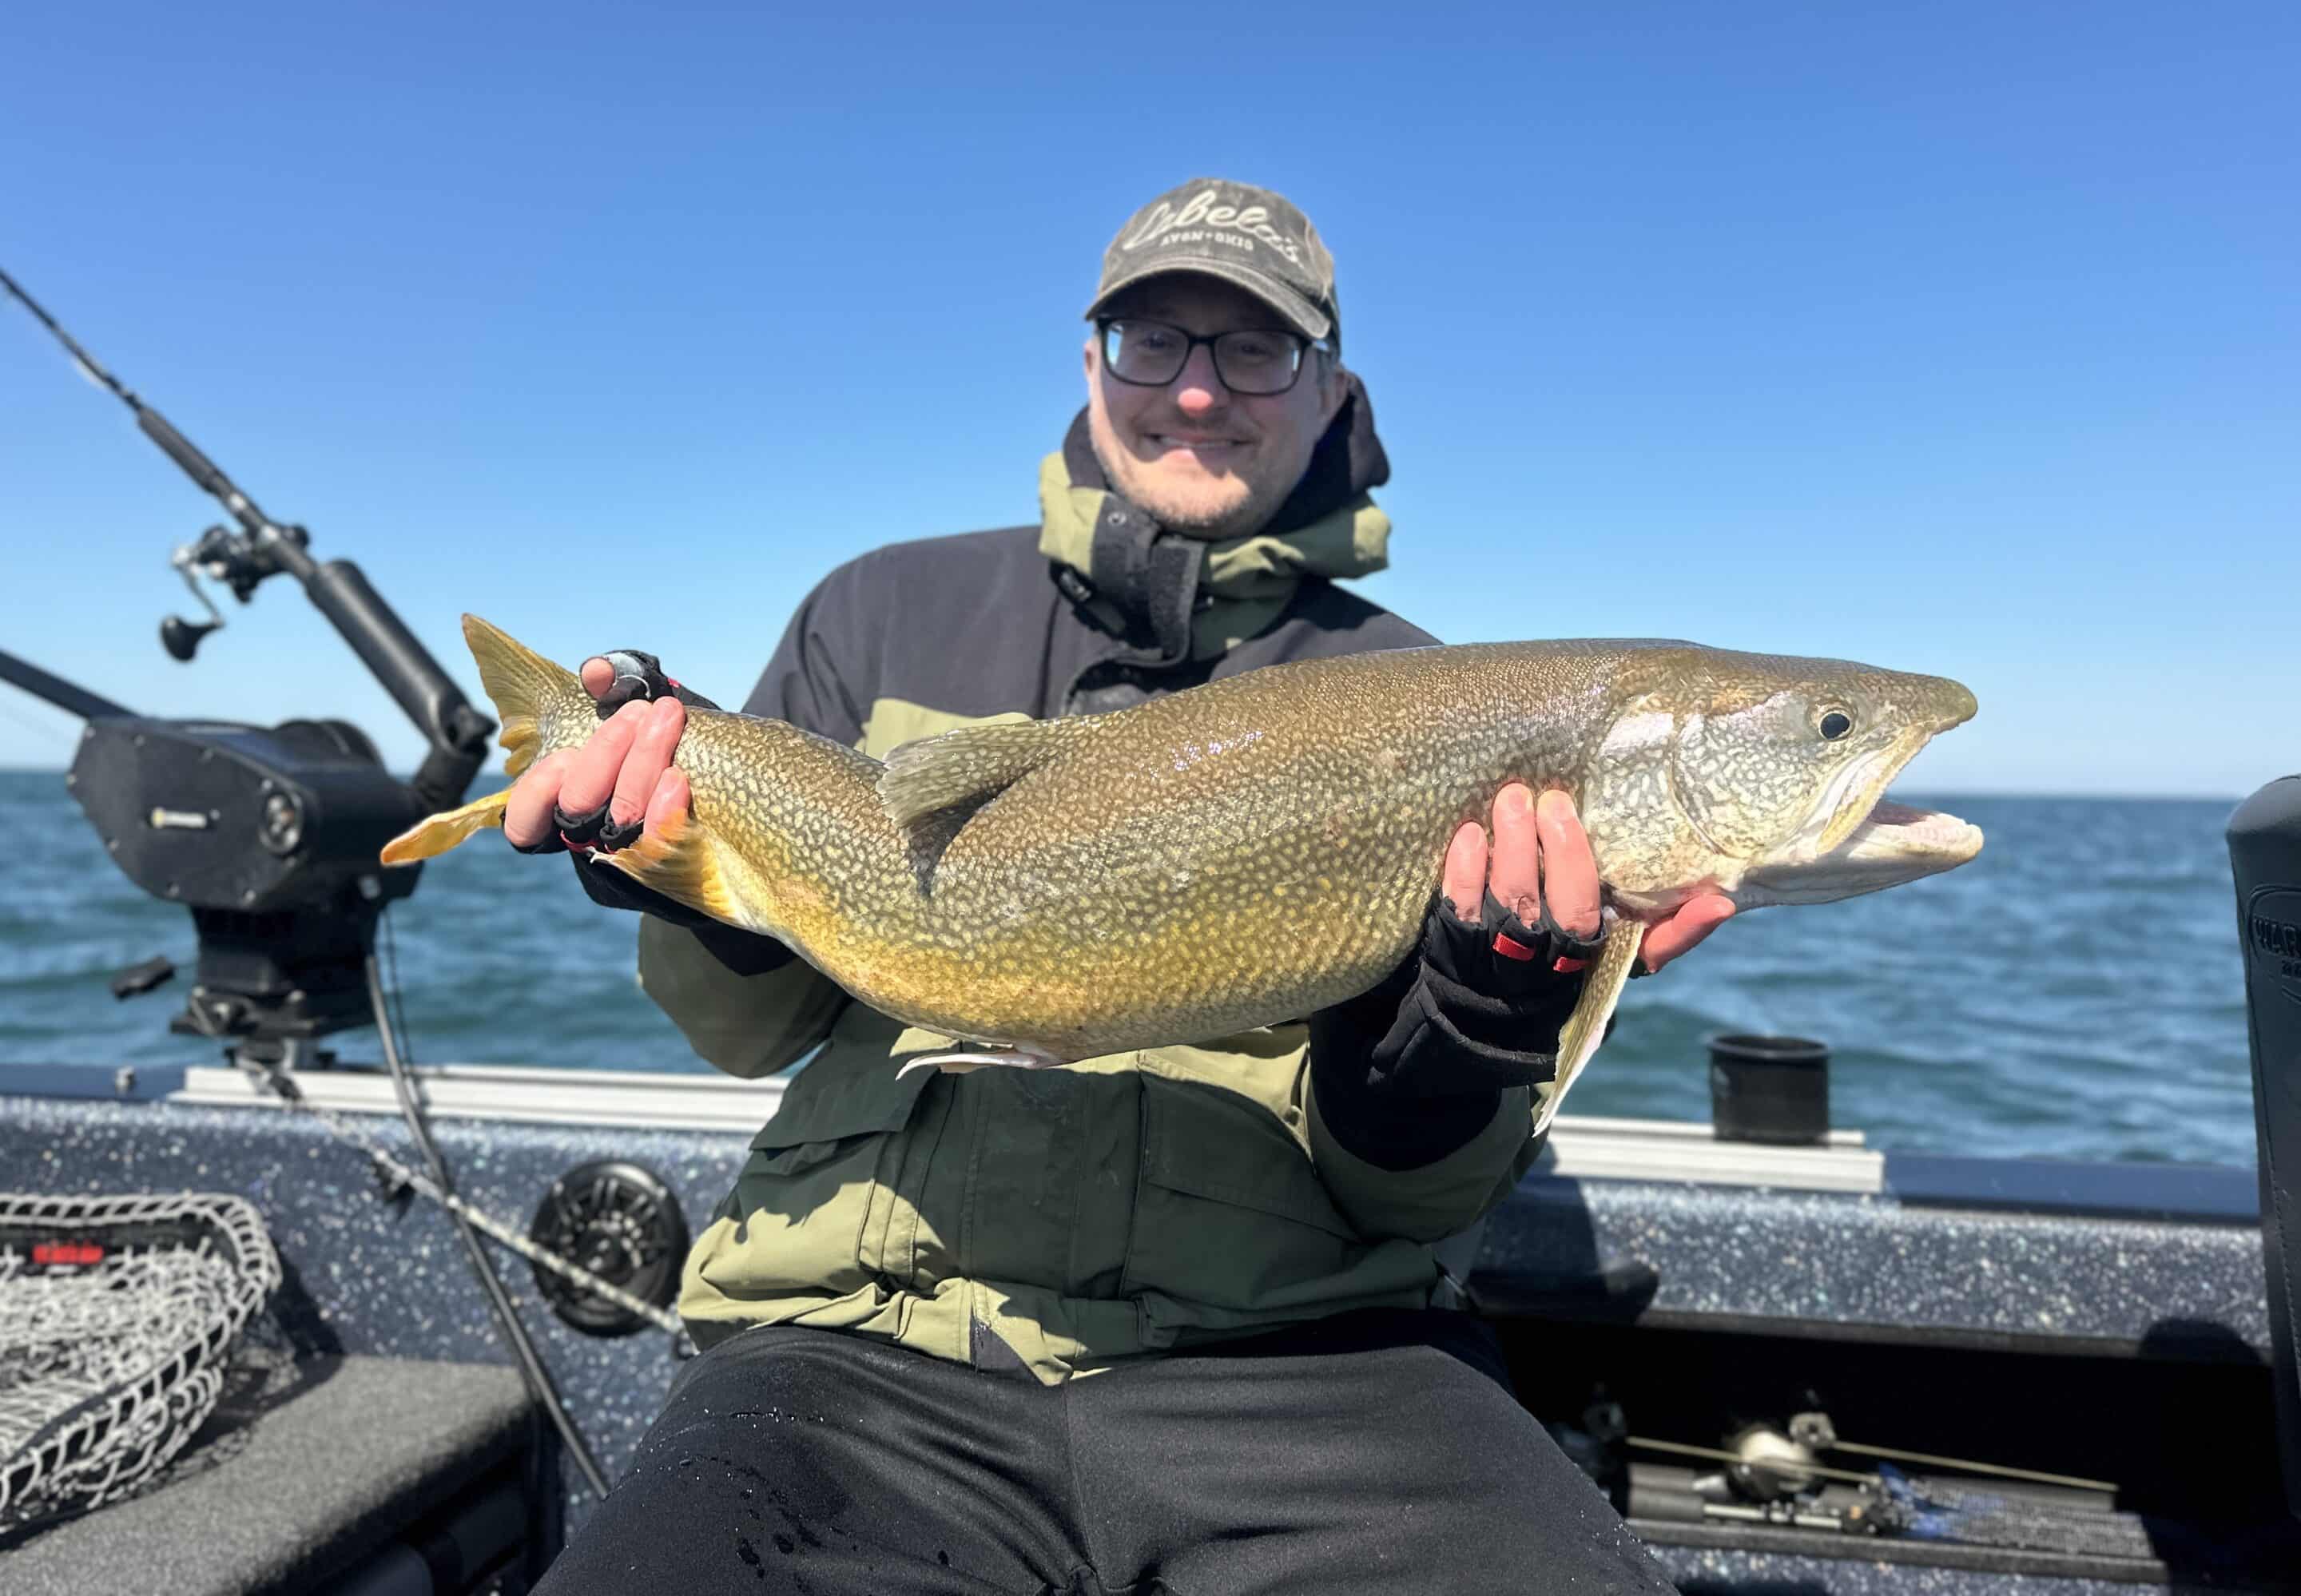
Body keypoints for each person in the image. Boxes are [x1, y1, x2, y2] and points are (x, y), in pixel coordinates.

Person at [517, 179, 1733, 1594]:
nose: (1199, 391)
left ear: (1332, 388)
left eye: (1256, 348)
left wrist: (1464, 1029)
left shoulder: (1425, 687)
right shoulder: (878, 608)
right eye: (1155, 341)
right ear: (1090, 365)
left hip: (1313, 1364)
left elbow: (1407, 1200)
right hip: (854, 1351)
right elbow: (746, 1036)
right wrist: (677, 863)